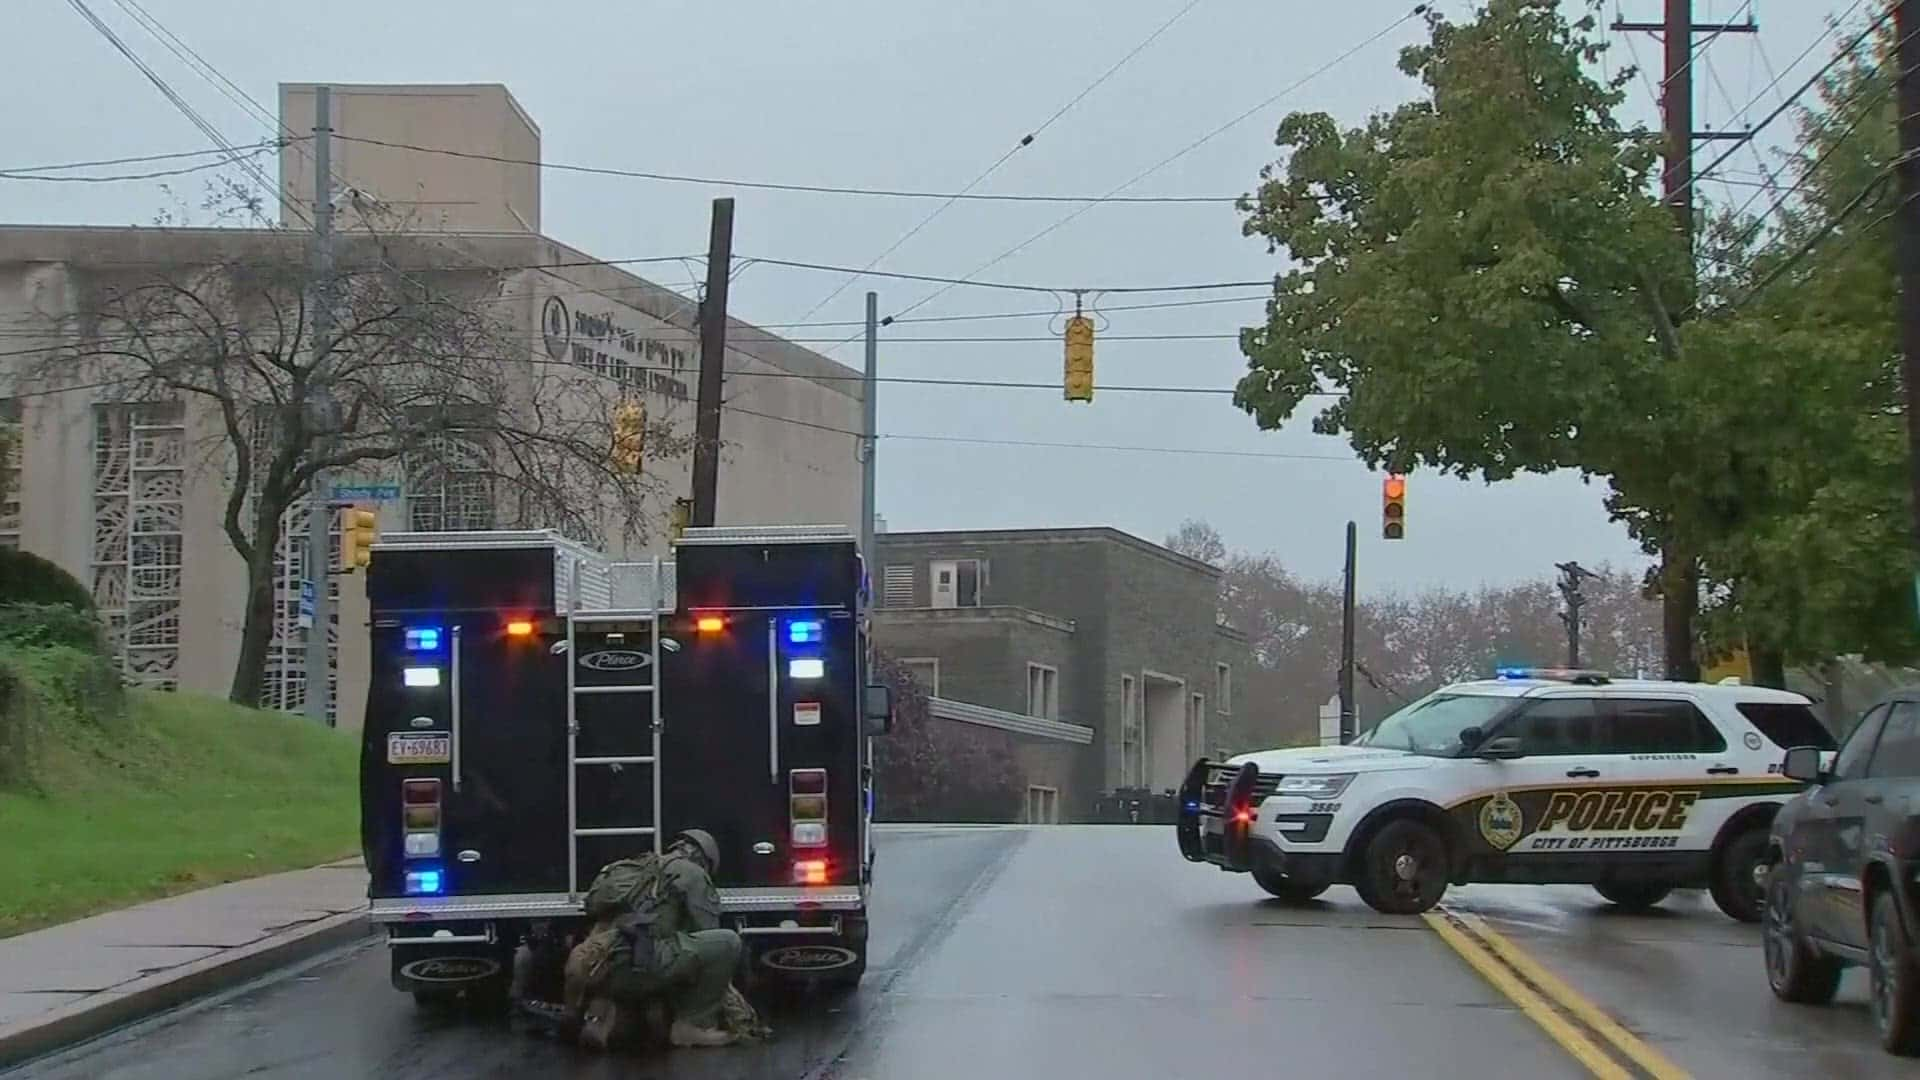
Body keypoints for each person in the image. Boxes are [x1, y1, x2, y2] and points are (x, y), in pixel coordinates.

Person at [577, 829, 744, 1050]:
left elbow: (592, 907)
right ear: (703, 859)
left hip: (600, 963)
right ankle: (691, 1026)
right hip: (646, 962)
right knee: (727, 943)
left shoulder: (638, 866)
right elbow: (707, 931)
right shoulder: (692, 873)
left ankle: (599, 1021)